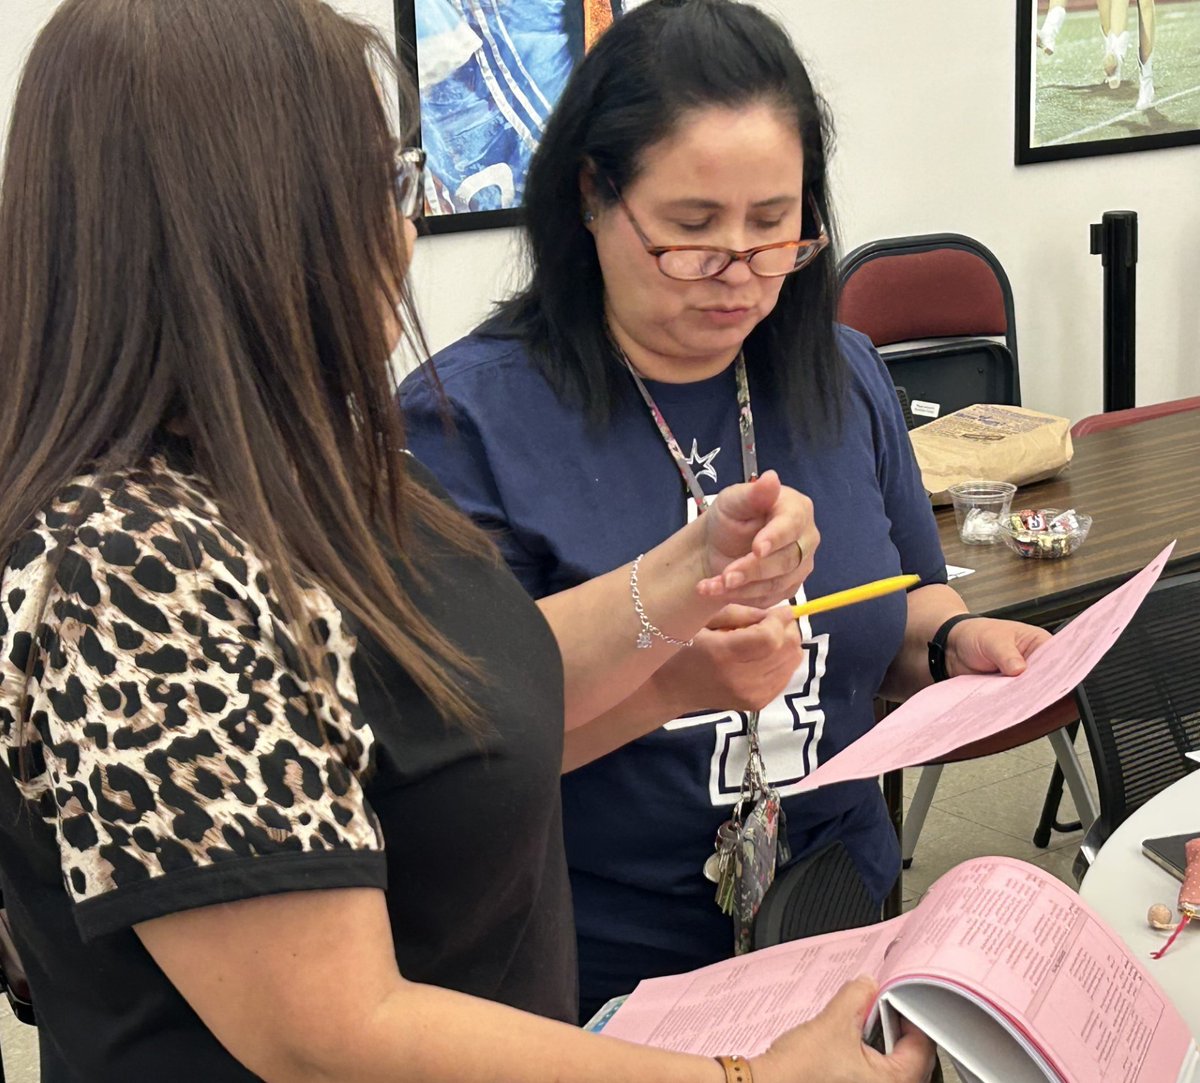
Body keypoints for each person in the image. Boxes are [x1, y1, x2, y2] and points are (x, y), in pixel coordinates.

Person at [0, 1, 936, 1081]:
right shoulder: (124, 563)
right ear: (251, 224)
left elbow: (445, 748)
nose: (404, 232)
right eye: (384, 186)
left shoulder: (299, 466)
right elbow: (329, 1032)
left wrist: (674, 638)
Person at [400, 0, 1051, 1023]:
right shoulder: (463, 421)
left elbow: (896, 607)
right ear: (591, 195)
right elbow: (460, 737)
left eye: (773, 228)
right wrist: (675, 626)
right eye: (693, 232)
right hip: (604, 979)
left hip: (840, 924)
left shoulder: (838, 370)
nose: (742, 273)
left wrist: (956, 642)